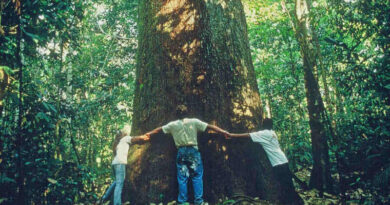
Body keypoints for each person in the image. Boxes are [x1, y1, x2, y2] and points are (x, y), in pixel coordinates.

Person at [145, 105, 228, 205]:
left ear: (176, 114)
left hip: (181, 151)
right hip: (193, 151)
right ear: (187, 113)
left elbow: (159, 129)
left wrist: (149, 133)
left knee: (182, 178)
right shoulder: (194, 121)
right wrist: (223, 131)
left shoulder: (172, 124)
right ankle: (198, 201)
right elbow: (210, 126)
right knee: (197, 176)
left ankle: (183, 201)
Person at [227, 118, 303, 205]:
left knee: (284, 185)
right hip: (283, 160)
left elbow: (247, 135)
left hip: (277, 163)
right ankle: (296, 201)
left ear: (263, 125)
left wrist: (231, 135)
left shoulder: (264, 134)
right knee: (288, 184)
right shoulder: (272, 133)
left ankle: (292, 202)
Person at [99, 130, 150, 205]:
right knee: (119, 183)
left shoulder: (118, 143)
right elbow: (137, 139)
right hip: (120, 163)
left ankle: (104, 198)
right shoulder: (125, 138)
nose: (126, 132)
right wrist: (147, 136)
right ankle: (117, 203)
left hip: (115, 163)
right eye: (124, 132)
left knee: (117, 182)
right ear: (123, 135)